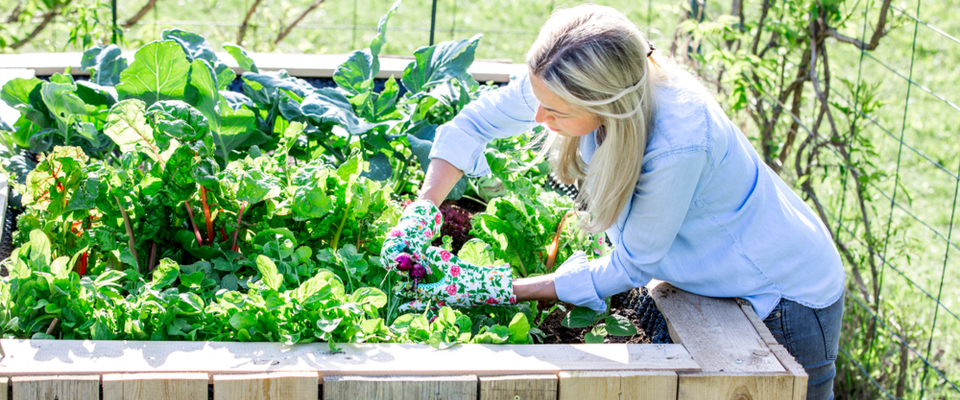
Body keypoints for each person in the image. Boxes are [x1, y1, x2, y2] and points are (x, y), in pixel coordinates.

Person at [380, 5, 844, 400]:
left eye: (556, 113)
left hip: (783, 298)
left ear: (607, 103)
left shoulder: (678, 142)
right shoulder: (561, 77)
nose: (539, 118)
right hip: (716, 278)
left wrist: (500, 287)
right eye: (538, 101)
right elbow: (472, 126)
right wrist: (423, 209)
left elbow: (631, 267)